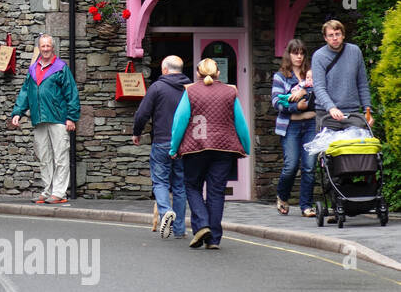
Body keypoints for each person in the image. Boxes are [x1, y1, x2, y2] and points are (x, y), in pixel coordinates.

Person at [169, 57, 251, 249]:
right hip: (223, 149)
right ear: (218, 73)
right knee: (216, 192)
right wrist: (245, 147)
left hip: (195, 148)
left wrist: (174, 148)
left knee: (192, 186)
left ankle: (202, 225)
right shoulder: (230, 91)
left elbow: (180, 120)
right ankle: (213, 238)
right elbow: (240, 122)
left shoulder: (190, 91)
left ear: (198, 73)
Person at [9, 34, 80, 204]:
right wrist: (17, 112)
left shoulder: (61, 67)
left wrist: (71, 117)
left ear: (53, 47)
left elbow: (72, 93)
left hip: (58, 118)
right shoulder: (33, 68)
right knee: (44, 157)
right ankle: (47, 191)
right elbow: (25, 92)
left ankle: (59, 192)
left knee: (61, 156)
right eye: (43, 46)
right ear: (39, 48)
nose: (46, 49)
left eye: (48, 46)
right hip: (39, 119)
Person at [131, 55, 191, 238]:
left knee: (160, 182)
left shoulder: (157, 87)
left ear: (165, 70)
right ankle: (179, 229)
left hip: (162, 142)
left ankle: (165, 212)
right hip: (184, 144)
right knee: (180, 186)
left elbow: (142, 113)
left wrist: (137, 132)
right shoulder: (190, 89)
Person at [271, 38, 317, 217]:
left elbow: (319, 97)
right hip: (290, 126)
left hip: (311, 124)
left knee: (309, 166)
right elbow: (276, 102)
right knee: (291, 166)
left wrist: (304, 92)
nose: (299, 56)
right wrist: (296, 107)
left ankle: (306, 205)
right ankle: (282, 196)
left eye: (302, 53)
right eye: (295, 53)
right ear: (288, 55)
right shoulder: (281, 76)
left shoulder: (312, 75)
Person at [311, 19, 372, 132]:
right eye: (331, 35)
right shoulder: (319, 56)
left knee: (358, 148)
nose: (335, 38)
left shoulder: (355, 52)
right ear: (325, 38)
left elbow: (362, 84)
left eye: (337, 34)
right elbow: (319, 87)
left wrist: (367, 111)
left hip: (352, 113)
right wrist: (331, 108)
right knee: (327, 149)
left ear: (343, 35)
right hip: (327, 114)